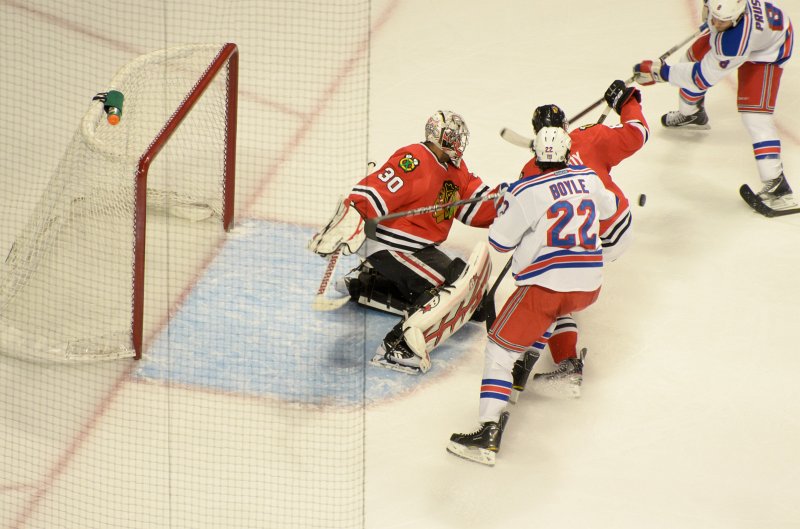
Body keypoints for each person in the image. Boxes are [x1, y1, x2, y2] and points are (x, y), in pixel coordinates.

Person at [446, 125, 618, 466]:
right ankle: (539, 366)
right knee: (556, 310)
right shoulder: (588, 177)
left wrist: (510, 205)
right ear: (568, 153)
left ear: (535, 157)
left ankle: (487, 433)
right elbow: (609, 207)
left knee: (497, 347)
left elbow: (498, 243)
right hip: (589, 284)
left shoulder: (528, 190)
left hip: (547, 285)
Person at [308, 110, 499, 374]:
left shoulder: (457, 170)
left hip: (416, 247)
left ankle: (371, 284)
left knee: (470, 298)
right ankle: (398, 346)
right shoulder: (415, 159)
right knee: (452, 283)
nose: (458, 143)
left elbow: (478, 206)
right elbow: (376, 190)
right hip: (389, 243)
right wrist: (351, 217)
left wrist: (514, 197)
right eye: (453, 137)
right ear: (438, 136)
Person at [510, 79, 650, 401]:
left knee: (551, 287)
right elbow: (638, 134)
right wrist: (628, 102)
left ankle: (564, 361)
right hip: (620, 226)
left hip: (586, 243)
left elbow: (527, 225)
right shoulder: (590, 136)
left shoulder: (530, 170)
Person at [632, 0, 795, 213]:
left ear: (736, 18)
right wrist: (714, 18)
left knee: (755, 117)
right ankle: (691, 114)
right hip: (757, 30)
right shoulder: (726, 14)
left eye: (723, 21)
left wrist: (660, 73)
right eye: (714, 17)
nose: (716, 23)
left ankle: (778, 187)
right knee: (688, 61)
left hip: (768, 51)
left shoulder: (733, 42)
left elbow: (700, 78)